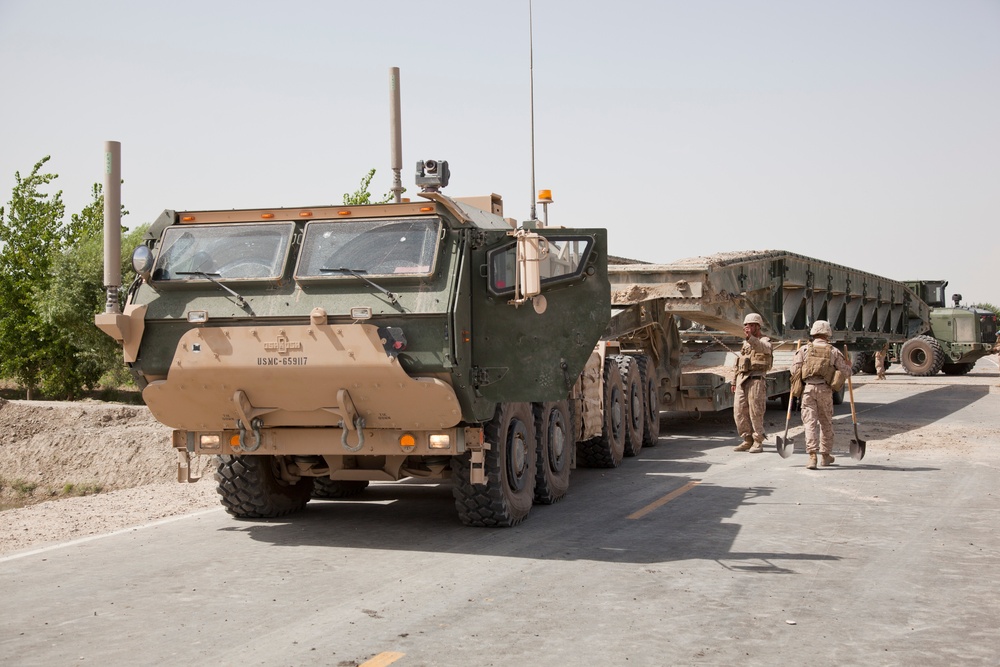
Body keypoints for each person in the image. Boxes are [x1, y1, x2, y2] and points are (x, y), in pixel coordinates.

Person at [790, 320, 853, 470]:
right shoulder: (833, 351)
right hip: (825, 391)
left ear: (813, 333)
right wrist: (848, 366)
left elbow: (793, 371)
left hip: (808, 390)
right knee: (826, 423)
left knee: (809, 423)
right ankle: (825, 455)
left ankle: (812, 456)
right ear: (827, 334)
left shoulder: (804, 350)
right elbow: (846, 373)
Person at [732, 313, 773, 454]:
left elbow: (764, 348)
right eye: (745, 325)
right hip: (742, 379)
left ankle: (758, 440)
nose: (747, 327)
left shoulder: (765, 341)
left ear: (757, 326)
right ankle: (747, 439)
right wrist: (733, 381)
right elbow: (738, 363)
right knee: (739, 411)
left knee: (756, 411)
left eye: (750, 325)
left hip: (756, 379)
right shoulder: (745, 343)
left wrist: (751, 338)